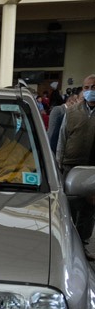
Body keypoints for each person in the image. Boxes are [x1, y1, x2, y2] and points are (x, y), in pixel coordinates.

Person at [55, 74, 95, 250]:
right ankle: (67, 245)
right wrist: (58, 164)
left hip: (91, 169)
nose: (89, 91)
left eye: (93, 87)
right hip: (70, 166)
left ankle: (83, 245)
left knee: (88, 209)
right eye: (86, 88)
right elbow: (62, 139)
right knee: (67, 208)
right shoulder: (71, 112)